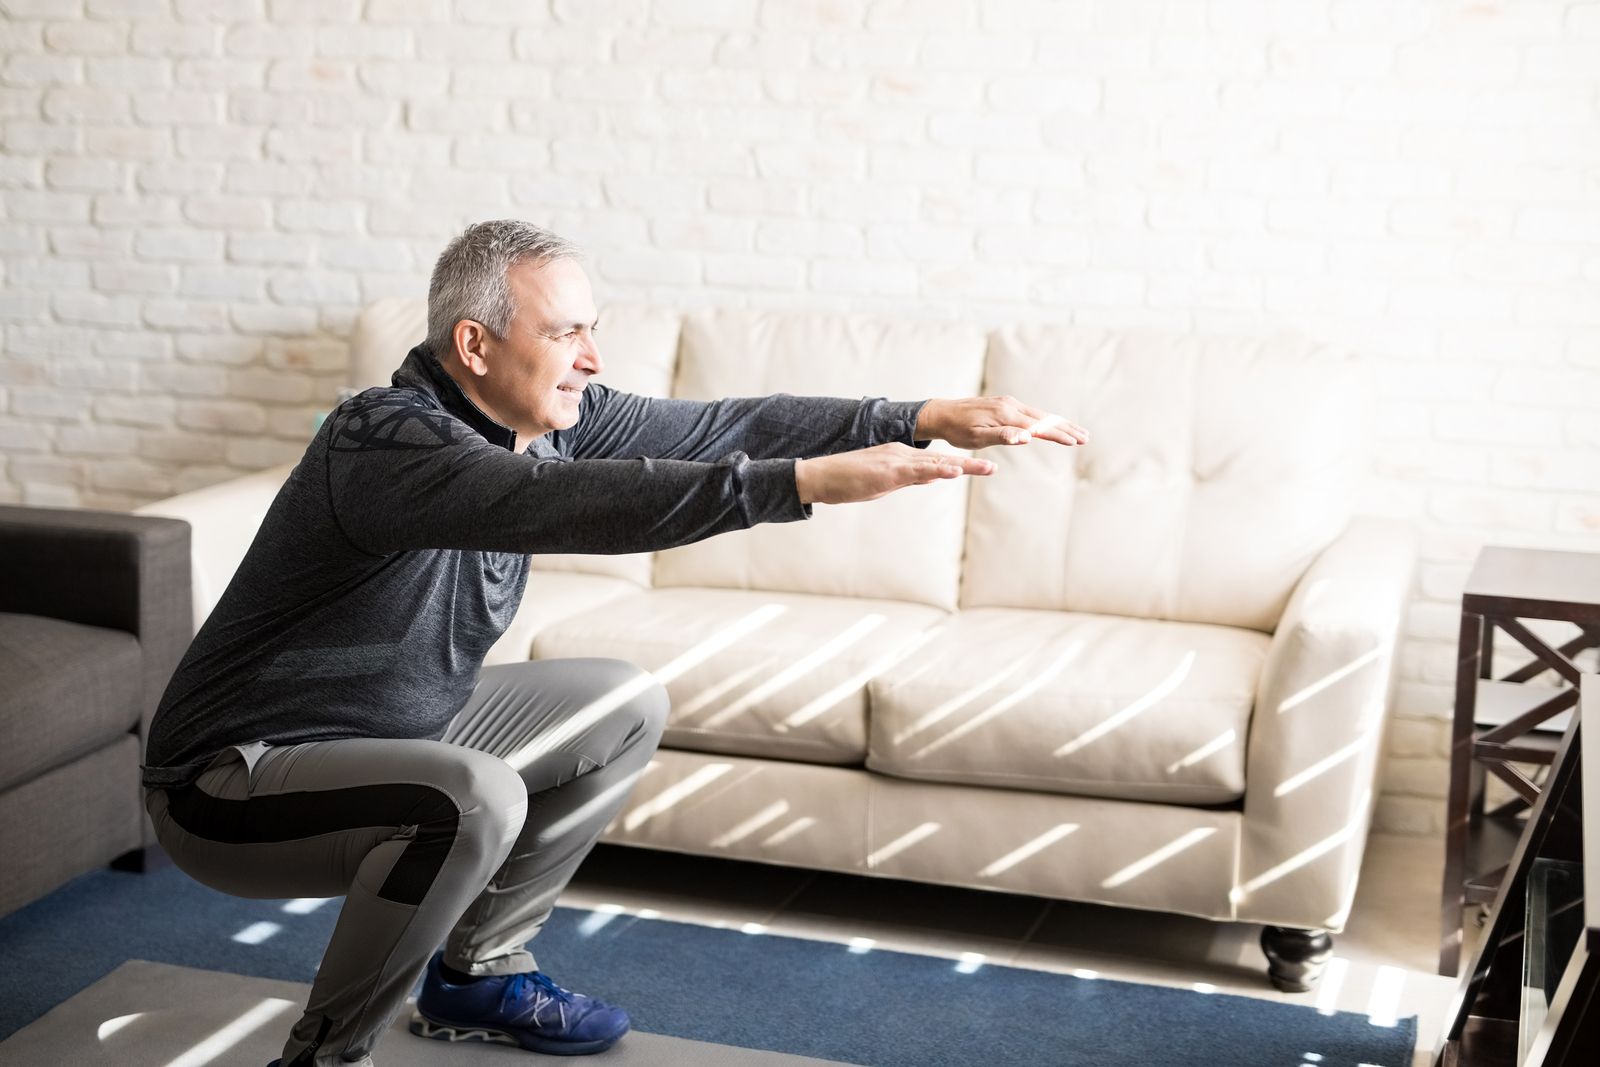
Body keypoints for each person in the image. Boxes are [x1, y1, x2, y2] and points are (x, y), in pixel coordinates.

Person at [140, 219, 1089, 1067]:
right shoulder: (385, 438)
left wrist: (911, 418)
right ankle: (325, 1055)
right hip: (233, 781)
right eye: (566, 332)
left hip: (392, 732)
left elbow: (723, 424)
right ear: (473, 344)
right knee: (470, 801)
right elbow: (568, 505)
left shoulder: (545, 422)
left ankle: (478, 972)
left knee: (619, 701)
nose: (593, 357)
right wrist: (797, 483)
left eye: (592, 328)